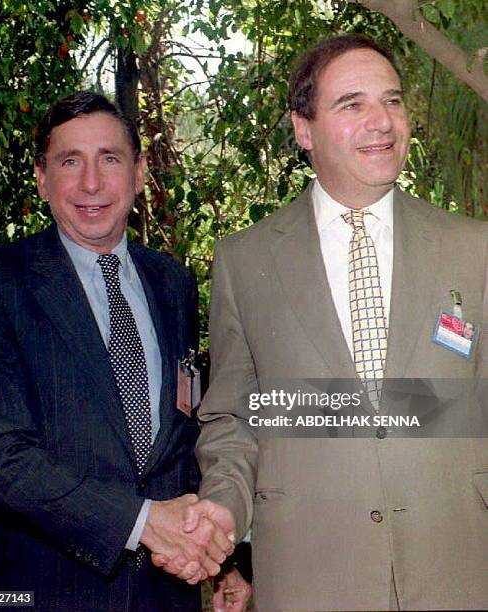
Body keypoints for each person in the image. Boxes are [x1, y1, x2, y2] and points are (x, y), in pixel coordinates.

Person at [178, 35, 488, 610]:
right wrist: (222, 506)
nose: (383, 121)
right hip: (310, 574)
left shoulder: (474, 249)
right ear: (303, 128)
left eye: (393, 101)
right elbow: (233, 418)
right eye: (353, 103)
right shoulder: (245, 262)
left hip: (460, 567)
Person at [0, 91, 249, 611]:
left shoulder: (174, 283)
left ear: (139, 173)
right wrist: (142, 523)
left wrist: (222, 555)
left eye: (110, 159)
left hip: (166, 594)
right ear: (41, 178)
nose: (91, 183)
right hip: (41, 593)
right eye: (70, 161)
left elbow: (182, 431)